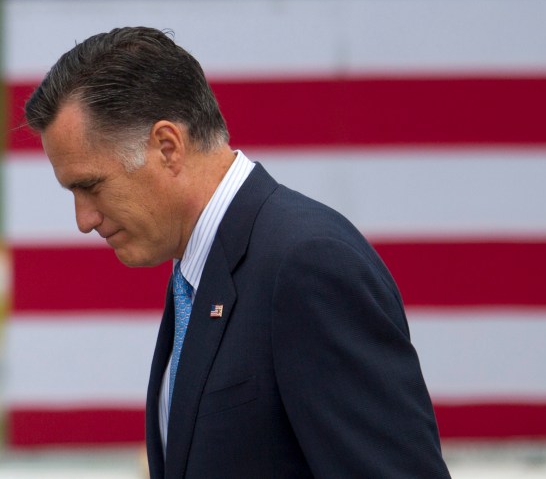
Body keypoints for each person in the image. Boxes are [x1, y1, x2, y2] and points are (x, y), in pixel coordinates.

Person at [24, 27, 452, 478]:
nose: (83, 219)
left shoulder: (308, 264)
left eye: (90, 185)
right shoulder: (199, 271)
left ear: (167, 147)